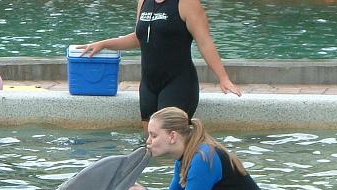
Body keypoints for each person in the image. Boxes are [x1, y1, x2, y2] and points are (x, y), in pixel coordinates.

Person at [77, 0, 241, 133]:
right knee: (151, 147)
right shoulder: (143, 2)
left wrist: (223, 78)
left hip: (178, 84)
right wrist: (104, 44)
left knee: (169, 146)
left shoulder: (187, 3)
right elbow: (139, 37)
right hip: (148, 85)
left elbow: (205, 43)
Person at [122, 107, 266, 190]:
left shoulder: (202, 159)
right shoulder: (184, 158)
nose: (148, 141)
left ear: (172, 136)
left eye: (153, 135)